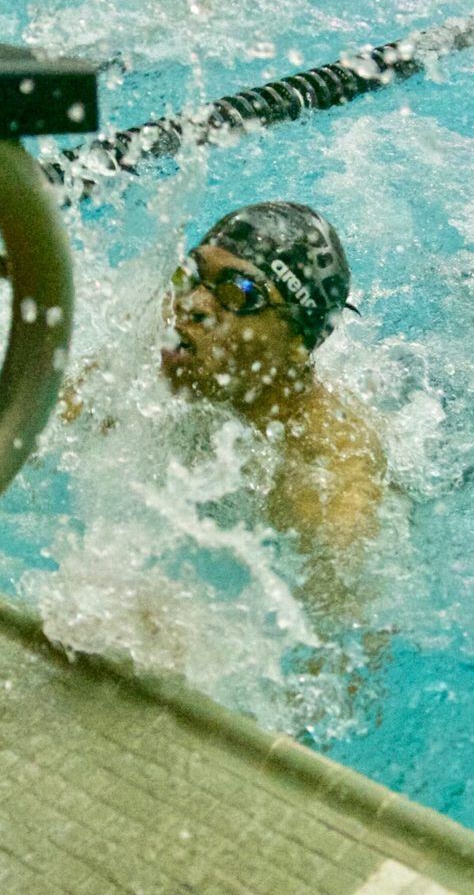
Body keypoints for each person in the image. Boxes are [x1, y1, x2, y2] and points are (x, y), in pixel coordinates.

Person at [160, 202, 385, 630]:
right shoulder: (163, 351)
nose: (192, 304)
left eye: (240, 292)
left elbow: (344, 640)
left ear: (300, 341)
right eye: (191, 274)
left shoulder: (326, 473)